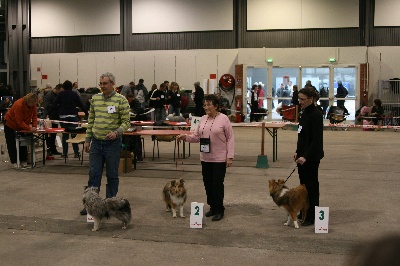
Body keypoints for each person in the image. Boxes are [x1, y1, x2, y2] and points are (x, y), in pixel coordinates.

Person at [176, 94, 234, 222]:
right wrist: (185, 137)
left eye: (209, 105)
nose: (206, 107)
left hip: (219, 158)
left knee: (217, 184)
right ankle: (212, 207)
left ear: (216, 106)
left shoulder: (224, 119)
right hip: (205, 158)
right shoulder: (202, 119)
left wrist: (230, 157)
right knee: (208, 184)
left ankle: (219, 209)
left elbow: (230, 138)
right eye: (205, 105)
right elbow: (197, 136)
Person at [80, 72, 131, 215]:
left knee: (112, 175)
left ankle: (110, 205)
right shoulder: (95, 99)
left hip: (112, 144)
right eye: (100, 84)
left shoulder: (121, 100)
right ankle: (90, 205)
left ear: (113, 84)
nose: (102, 86)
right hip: (96, 142)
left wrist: (117, 132)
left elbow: (127, 122)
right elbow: (91, 121)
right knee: (93, 174)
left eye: (105, 83)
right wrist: (88, 139)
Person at [293, 87, 324, 226]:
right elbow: (302, 136)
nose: (300, 102)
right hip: (302, 157)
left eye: (303, 99)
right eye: (299, 99)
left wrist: (305, 156)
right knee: (303, 187)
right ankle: (304, 212)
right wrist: (297, 152)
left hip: (311, 158)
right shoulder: (303, 113)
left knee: (311, 187)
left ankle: (312, 216)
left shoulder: (316, 115)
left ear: (311, 99)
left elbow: (316, 140)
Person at [53, 80, 88, 158]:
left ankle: (65, 153)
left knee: (65, 135)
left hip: (63, 117)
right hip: (73, 116)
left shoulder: (60, 94)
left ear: (64, 87)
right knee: (74, 135)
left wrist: (51, 112)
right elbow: (81, 104)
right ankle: (76, 153)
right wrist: (86, 113)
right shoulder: (74, 94)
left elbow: (54, 104)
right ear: (71, 87)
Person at [4, 93, 38, 169]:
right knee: (12, 144)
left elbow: (35, 116)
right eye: (31, 103)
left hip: (23, 125)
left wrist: (34, 127)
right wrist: (29, 128)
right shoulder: (18, 105)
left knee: (23, 143)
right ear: (27, 100)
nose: (32, 105)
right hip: (10, 124)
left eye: (34, 103)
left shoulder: (33, 105)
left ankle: (24, 160)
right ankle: (15, 162)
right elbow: (19, 122)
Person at [42, 83, 63, 156]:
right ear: (57, 89)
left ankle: (53, 149)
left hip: (55, 117)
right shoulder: (48, 95)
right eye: (60, 91)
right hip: (49, 117)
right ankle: (49, 150)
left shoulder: (58, 95)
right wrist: (57, 105)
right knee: (49, 135)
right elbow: (47, 106)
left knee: (54, 134)